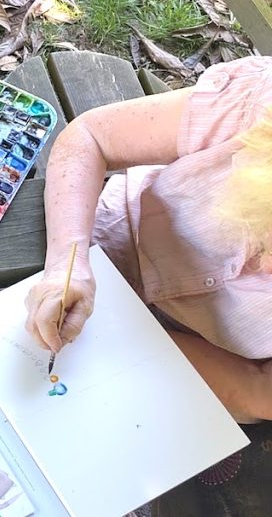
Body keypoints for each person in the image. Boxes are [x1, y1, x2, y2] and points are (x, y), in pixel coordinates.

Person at [23, 56, 272, 423]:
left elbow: (257, 391)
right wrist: (68, 264)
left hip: (202, 372)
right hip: (104, 236)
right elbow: (91, 137)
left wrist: (126, 337)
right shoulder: (258, 104)